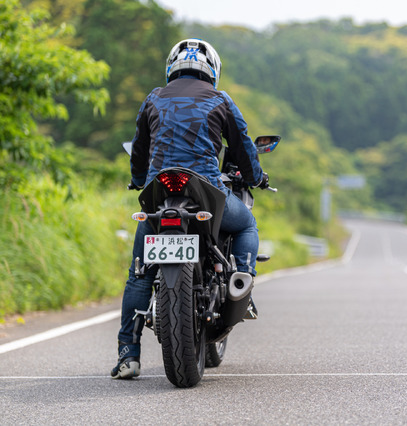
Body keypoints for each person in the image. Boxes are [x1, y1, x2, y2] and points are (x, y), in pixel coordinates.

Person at [111, 38, 268, 379]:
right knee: (246, 226)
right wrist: (256, 177)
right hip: (206, 191)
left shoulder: (153, 97)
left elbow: (139, 150)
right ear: (212, 70)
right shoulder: (220, 99)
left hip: (158, 194)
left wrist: (139, 180)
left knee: (139, 273)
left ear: (172, 68)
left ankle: (128, 355)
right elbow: (242, 148)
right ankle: (241, 278)